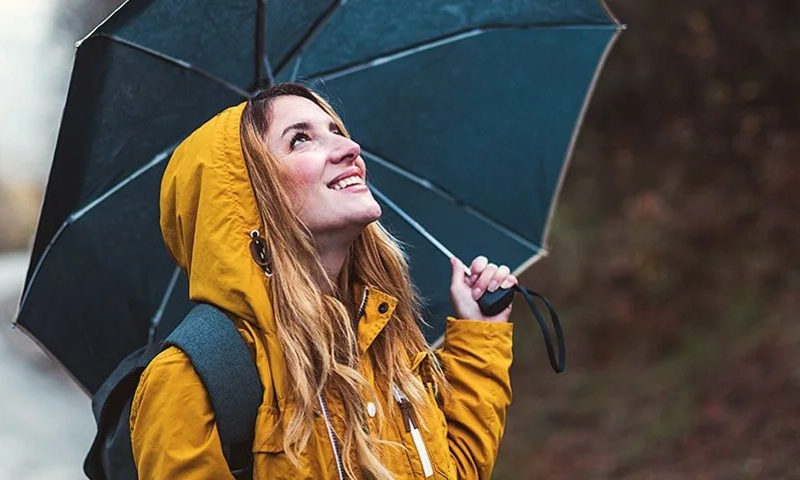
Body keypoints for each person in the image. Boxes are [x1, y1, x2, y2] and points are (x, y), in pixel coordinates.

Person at [132, 82, 516, 479]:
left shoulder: (381, 341)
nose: (350, 149)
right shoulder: (191, 381)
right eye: (300, 139)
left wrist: (479, 336)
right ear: (245, 196)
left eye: (336, 130)